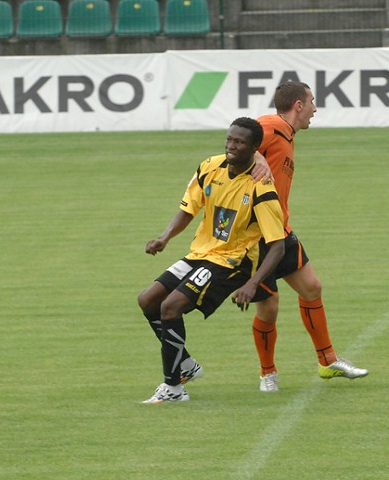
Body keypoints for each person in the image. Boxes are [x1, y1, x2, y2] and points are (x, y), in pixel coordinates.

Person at [137, 117, 286, 403]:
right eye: (229, 139)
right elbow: (188, 209)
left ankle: (173, 388)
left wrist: (253, 284)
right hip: (201, 254)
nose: (231, 146)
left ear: (255, 148)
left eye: (239, 142)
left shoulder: (261, 187)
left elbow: (277, 245)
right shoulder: (209, 167)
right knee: (148, 300)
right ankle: (185, 365)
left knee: (171, 307)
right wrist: (165, 237)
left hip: (232, 262)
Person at [249, 81, 368, 391]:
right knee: (269, 305)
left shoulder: (287, 135)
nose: (315, 109)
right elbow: (238, 138)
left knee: (312, 288)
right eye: (312, 102)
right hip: (256, 236)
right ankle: (267, 374)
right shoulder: (272, 124)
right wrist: (256, 156)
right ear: (298, 106)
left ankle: (328, 361)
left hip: (281, 229)